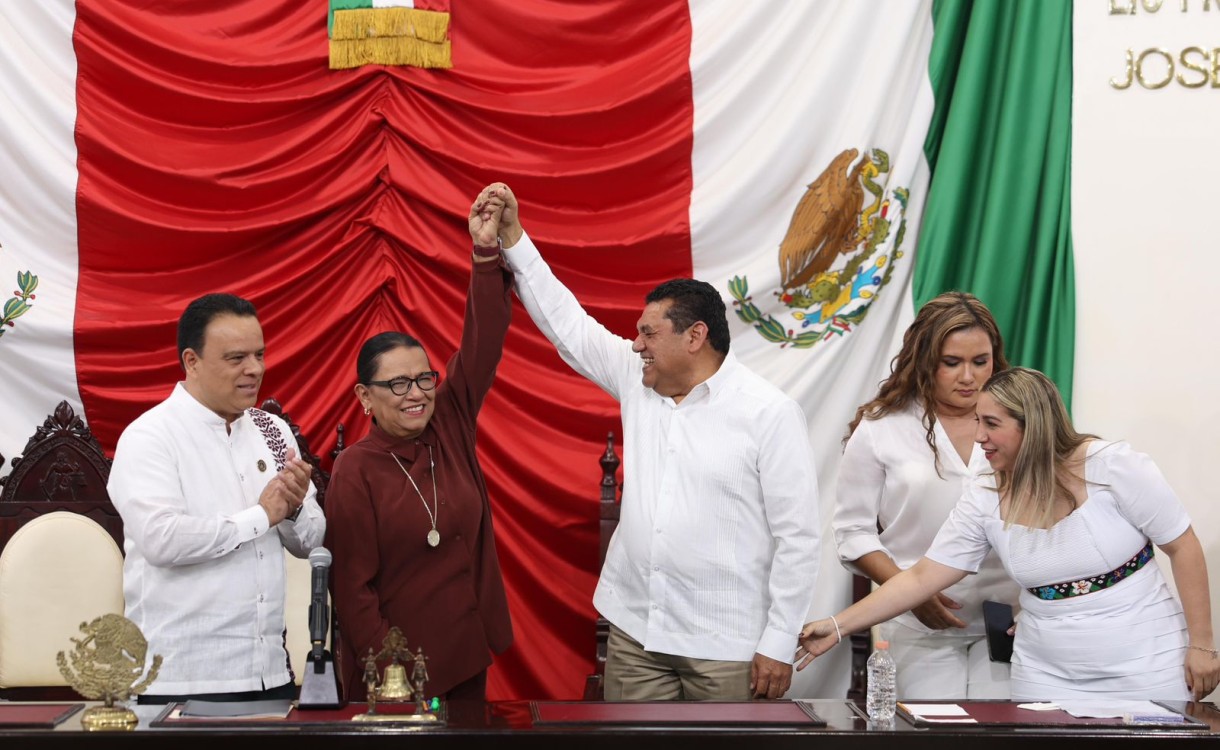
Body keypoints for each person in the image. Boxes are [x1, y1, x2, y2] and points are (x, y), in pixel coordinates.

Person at [479, 183, 820, 700]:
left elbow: (799, 538)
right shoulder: (639, 382)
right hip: (636, 633)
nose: (635, 344)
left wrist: (777, 641)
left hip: (726, 646)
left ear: (694, 336)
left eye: (647, 333)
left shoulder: (770, 413)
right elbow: (568, 324)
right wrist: (514, 237)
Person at [799, 367, 1220, 701]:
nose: (979, 436)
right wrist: (836, 626)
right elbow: (922, 577)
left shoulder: (1113, 467)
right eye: (977, 421)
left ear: (1031, 425)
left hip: (1145, 663)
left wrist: (1202, 645)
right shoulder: (984, 492)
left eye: (991, 424)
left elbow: (1182, 545)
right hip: (1046, 673)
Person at [324, 185, 514, 703]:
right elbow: (353, 593)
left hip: (465, 654)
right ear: (365, 396)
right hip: (396, 673)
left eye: (424, 378)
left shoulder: (448, 422)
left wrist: (483, 252)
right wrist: (392, 676)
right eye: (398, 384)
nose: (417, 394)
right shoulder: (355, 470)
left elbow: (482, 339)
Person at [108, 293, 325, 704]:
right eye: (236, 358)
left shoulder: (271, 431)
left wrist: (294, 509)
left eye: (259, 354)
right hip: (178, 680)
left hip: (269, 675)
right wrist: (262, 516)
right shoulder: (150, 436)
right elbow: (162, 539)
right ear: (191, 361)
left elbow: (311, 542)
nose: (255, 369)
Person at [831, 292, 1020, 698]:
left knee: (1004, 736)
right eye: (951, 363)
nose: (968, 377)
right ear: (923, 359)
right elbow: (853, 532)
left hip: (1008, 620)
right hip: (915, 623)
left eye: (980, 361)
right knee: (930, 734)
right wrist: (909, 592)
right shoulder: (883, 426)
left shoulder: (1021, 423)